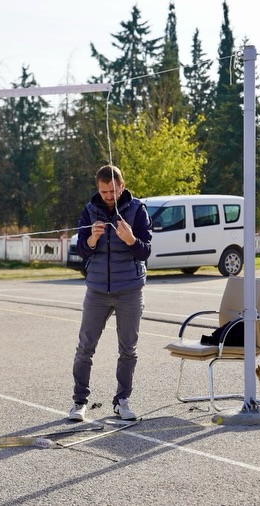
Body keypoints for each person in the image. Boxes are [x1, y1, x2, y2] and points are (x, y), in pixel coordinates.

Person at [68, 165, 152, 422]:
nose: (108, 196)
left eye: (113, 191)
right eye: (104, 191)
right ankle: (79, 402)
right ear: (98, 188)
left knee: (128, 349)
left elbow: (146, 251)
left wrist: (130, 239)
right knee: (85, 348)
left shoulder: (137, 210)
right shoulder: (89, 210)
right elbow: (82, 250)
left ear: (122, 186)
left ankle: (122, 401)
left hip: (129, 289)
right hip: (97, 290)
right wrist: (91, 240)